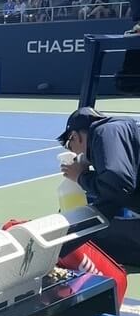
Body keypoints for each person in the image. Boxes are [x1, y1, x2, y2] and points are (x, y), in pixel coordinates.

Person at [58, 107, 140, 266]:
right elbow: (113, 200)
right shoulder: (122, 129)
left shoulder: (104, 132)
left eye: (69, 145)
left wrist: (81, 177)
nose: (74, 153)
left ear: (75, 137)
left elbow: (118, 185)